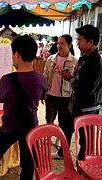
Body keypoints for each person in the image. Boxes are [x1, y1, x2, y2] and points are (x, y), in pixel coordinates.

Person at [0, 35, 47, 180]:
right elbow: (42, 97)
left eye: (12, 54)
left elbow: (0, 98)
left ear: (17, 54)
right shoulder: (41, 79)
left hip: (10, 127)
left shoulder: (7, 79)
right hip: (30, 126)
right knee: (28, 163)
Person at [52, 25, 102, 161]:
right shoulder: (84, 58)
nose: (78, 44)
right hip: (75, 104)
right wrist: (72, 77)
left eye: (80, 40)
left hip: (88, 108)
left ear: (90, 41)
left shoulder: (96, 63)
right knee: (66, 129)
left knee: (85, 140)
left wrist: (70, 79)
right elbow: (79, 78)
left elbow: (88, 90)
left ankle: (82, 166)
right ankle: (62, 153)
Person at [43, 34, 78, 149]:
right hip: (51, 95)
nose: (59, 46)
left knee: (63, 121)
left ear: (70, 45)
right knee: (49, 119)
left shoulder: (74, 61)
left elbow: (76, 79)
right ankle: (47, 138)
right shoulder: (51, 59)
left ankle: (59, 140)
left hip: (65, 96)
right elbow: (45, 75)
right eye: (58, 43)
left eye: (62, 44)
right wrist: (44, 92)